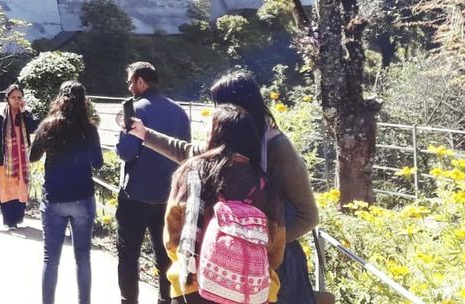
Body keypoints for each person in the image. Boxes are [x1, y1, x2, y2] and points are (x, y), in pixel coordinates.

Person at [128, 70, 319, 304]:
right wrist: (144, 134)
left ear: (239, 107)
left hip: (268, 272)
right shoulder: (227, 147)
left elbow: (308, 215)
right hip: (216, 269)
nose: (217, 112)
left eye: (220, 104)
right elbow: (190, 153)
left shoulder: (277, 147)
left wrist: (256, 243)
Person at [158, 104, 285, 303]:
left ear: (214, 135)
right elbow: (276, 250)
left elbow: (173, 236)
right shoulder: (264, 184)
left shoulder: (192, 171)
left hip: (194, 287)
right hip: (252, 293)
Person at [116, 62, 191, 304]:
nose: (129, 87)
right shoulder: (180, 111)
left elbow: (126, 152)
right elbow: (186, 154)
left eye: (130, 82)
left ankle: (129, 301)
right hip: (170, 197)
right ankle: (164, 300)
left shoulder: (135, 110)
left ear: (140, 81)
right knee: (166, 255)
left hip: (136, 196)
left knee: (129, 255)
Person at [29, 82, 102, 304]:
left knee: (50, 259)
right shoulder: (88, 130)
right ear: (83, 103)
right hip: (82, 197)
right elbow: (98, 163)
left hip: (54, 199)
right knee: (83, 257)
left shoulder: (48, 126)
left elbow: (33, 157)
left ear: (59, 99)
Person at [0, 83, 40, 229]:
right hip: (3, 159)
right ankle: (10, 221)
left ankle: (17, 217)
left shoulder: (25, 115)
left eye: (19, 97)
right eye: (13, 97)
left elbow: (34, 127)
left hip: (22, 160)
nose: (17, 100)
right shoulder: (0, 116)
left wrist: (24, 112)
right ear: (7, 99)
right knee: (6, 190)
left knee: (20, 188)